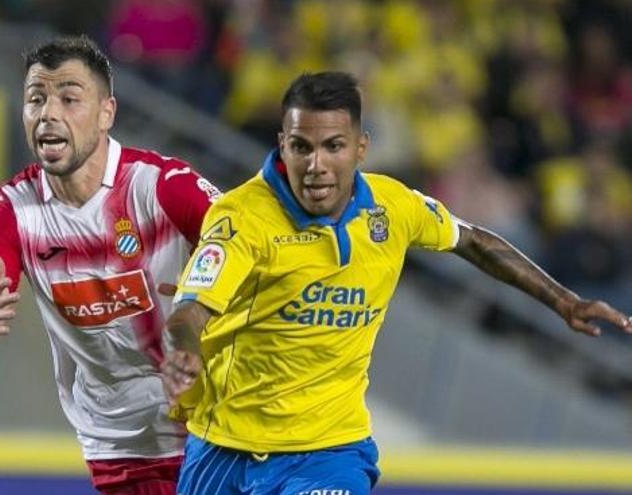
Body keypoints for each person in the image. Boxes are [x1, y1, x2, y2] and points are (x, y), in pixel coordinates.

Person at [160, 71, 632, 495]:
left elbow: (473, 242)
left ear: (361, 147)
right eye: (301, 146)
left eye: (334, 146)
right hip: (226, 447)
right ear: (283, 143)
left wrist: (563, 301)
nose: (316, 164)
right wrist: (186, 350)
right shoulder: (242, 218)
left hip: (330, 448)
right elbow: (191, 310)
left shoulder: (392, 207)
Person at [0, 35, 220, 495]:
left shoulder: (161, 186)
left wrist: (207, 295)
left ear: (106, 112)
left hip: (208, 422)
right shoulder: (12, 209)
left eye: (69, 98)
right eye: (36, 99)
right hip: (118, 443)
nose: (48, 113)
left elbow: (248, 246)